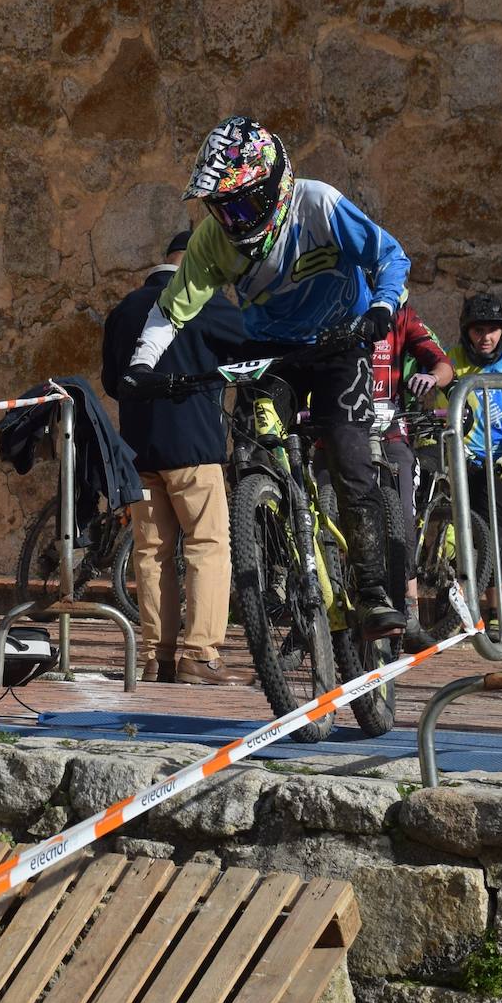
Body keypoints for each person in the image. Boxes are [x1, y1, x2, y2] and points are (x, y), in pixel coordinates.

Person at [126, 116, 411, 637]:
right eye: (220, 208)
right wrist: (141, 366)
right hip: (270, 351)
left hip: (339, 341)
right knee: (254, 455)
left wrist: (382, 311)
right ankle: (277, 566)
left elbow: (389, 255)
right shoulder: (214, 240)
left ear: (274, 186)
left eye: (241, 205)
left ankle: (371, 592)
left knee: (349, 459)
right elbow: (172, 310)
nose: (232, 220)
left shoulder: (317, 204)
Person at [101, 229, 250, 684]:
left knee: (151, 552)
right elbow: (250, 343)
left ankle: (156, 656)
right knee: (207, 545)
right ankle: (201, 654)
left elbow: (112, 381)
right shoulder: (205, 300)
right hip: (194, 446)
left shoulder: (124, 310)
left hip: (140, 448)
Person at [368, 298, 456, 648]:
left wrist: (431, 376)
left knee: (404, 517)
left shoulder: (402, 318)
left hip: (392, 431)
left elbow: (443, 362)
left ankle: (409, 612)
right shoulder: (334, 303)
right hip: (341, 428)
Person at [445, 292, 502, 617]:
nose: (486, 337)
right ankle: (459, 615)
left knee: (494, 541)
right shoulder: (451, 361)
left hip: (496, 466)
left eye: (493, 329)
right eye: (478, 329)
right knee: (455, 539)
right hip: (457, 462)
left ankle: (499, 618)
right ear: (466, 330)